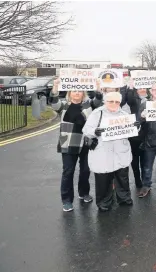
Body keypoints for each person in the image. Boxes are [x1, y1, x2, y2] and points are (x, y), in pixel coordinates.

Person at [50, 78, 102, 212]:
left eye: (79, 90)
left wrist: (98, 88)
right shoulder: (64, 105)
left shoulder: (88, 105)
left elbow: (98, 101)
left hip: (86, 142)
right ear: (70, 93)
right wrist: (55, 87)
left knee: (85, 170)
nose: (77, 93)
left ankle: (83, 193)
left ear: (83, 93)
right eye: (74, 90)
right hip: (68, 142)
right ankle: (67, 200)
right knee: (68, 172)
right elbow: (54, 103)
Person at [82, 92, 134, 212]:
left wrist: (136, 126)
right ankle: (104, 202)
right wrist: (96, 131)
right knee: (103, 180)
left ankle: (124, 198)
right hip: (103, 152)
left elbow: (131, 130)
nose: (114, 104)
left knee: (122, 178)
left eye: (117, 102)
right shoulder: (97, 113)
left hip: (120, 151)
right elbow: (86, 129)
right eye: (111, 101)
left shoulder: (124, 114)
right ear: (105, 102)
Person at [124, 81, 150, 191]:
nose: (142, 89)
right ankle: (137, 180)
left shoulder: (151, 100)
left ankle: (144, 180)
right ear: (136, 89)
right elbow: (129, 98)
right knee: (135, 160)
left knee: (145, 160)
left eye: (144, 87)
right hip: (134, 134)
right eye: (140, 88)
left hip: (147, 134)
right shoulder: (133, 100)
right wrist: (130, 87)